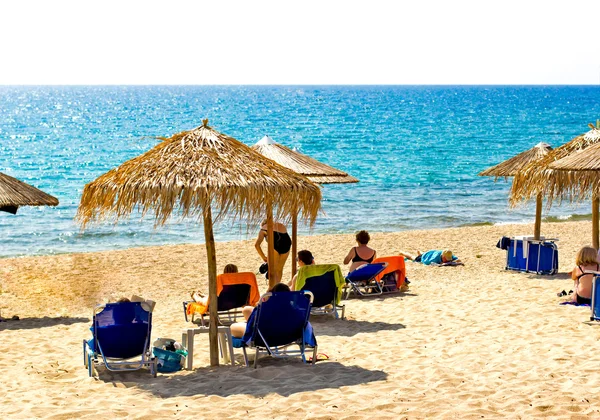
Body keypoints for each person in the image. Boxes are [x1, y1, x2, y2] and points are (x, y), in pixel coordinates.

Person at [255, 220, 292, 287]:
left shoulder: (263, 229)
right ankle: (277, 286)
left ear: (263, 224)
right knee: (280, 269)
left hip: (276, 244)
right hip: (287, 244)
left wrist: (263, 257)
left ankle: (272, 287)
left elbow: (257, 245)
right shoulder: (280, 225)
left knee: (272, 269)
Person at [399, 249, 463, 266]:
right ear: (442, 256)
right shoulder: (434, 259)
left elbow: (458, 260)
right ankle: (403, 253)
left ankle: (420, 252)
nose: (447, 260)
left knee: (424, 253)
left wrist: (455, 261)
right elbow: (428, 263)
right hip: (424, 257)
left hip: (431, 252)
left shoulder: (449, 254)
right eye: (446, 259)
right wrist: (441, 264)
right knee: (412, 257)